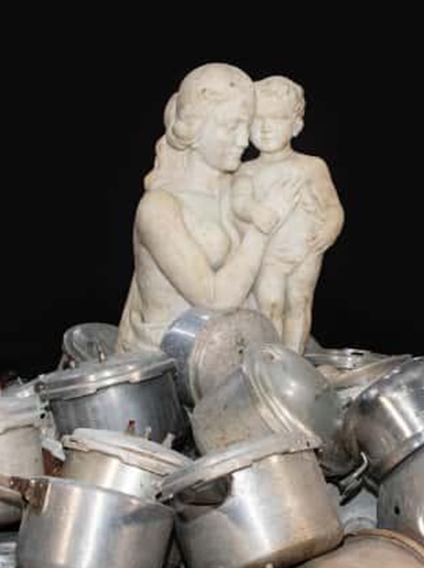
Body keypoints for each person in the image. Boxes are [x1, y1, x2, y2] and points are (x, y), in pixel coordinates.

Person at [115, 63, 299, 354]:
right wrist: (263, 227)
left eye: (247, 126)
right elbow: (215, 301)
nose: (243, 140)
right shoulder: (159, 207)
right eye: (231, 126)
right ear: (195, 127)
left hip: (233, 354)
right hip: (170, 369)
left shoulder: (240, 191)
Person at [226, 75, 344, 352]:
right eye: (258, 119)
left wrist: (330, 229)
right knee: (269, 304)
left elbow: (332, 206)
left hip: (307, 250)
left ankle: (295, 357)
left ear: (296, 126)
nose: (266, 127)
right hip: (268, 253)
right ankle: (272, 360)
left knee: (299, 301)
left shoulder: (312, 166)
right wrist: (256, 211)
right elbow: (239, 203)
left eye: (277, 118)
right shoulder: (246, 170)